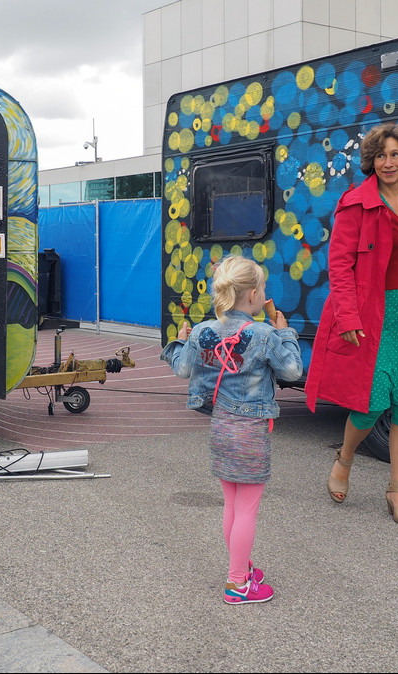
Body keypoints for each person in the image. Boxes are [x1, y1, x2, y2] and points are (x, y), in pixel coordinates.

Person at [304, 122, 398, 528]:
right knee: (371, 403)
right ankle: (344, 459)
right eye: (380, 155)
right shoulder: (354, 203)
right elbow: (340, 265)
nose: (388, 162)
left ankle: (397, 490)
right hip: (370, 314)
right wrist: (347, 315)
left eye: (395, 154)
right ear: (371, 161)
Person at [161, 255, 304, 605]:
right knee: (248, 509)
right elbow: (293, 371)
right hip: (251, 430)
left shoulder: (200, 332)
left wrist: (180, 341)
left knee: (231, 504)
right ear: (254, 295)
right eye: (264, 290)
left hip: (221, 426)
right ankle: (238, 583)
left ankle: (240, 568)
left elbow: (182, 370)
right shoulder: (266, 333)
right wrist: (285, 331)